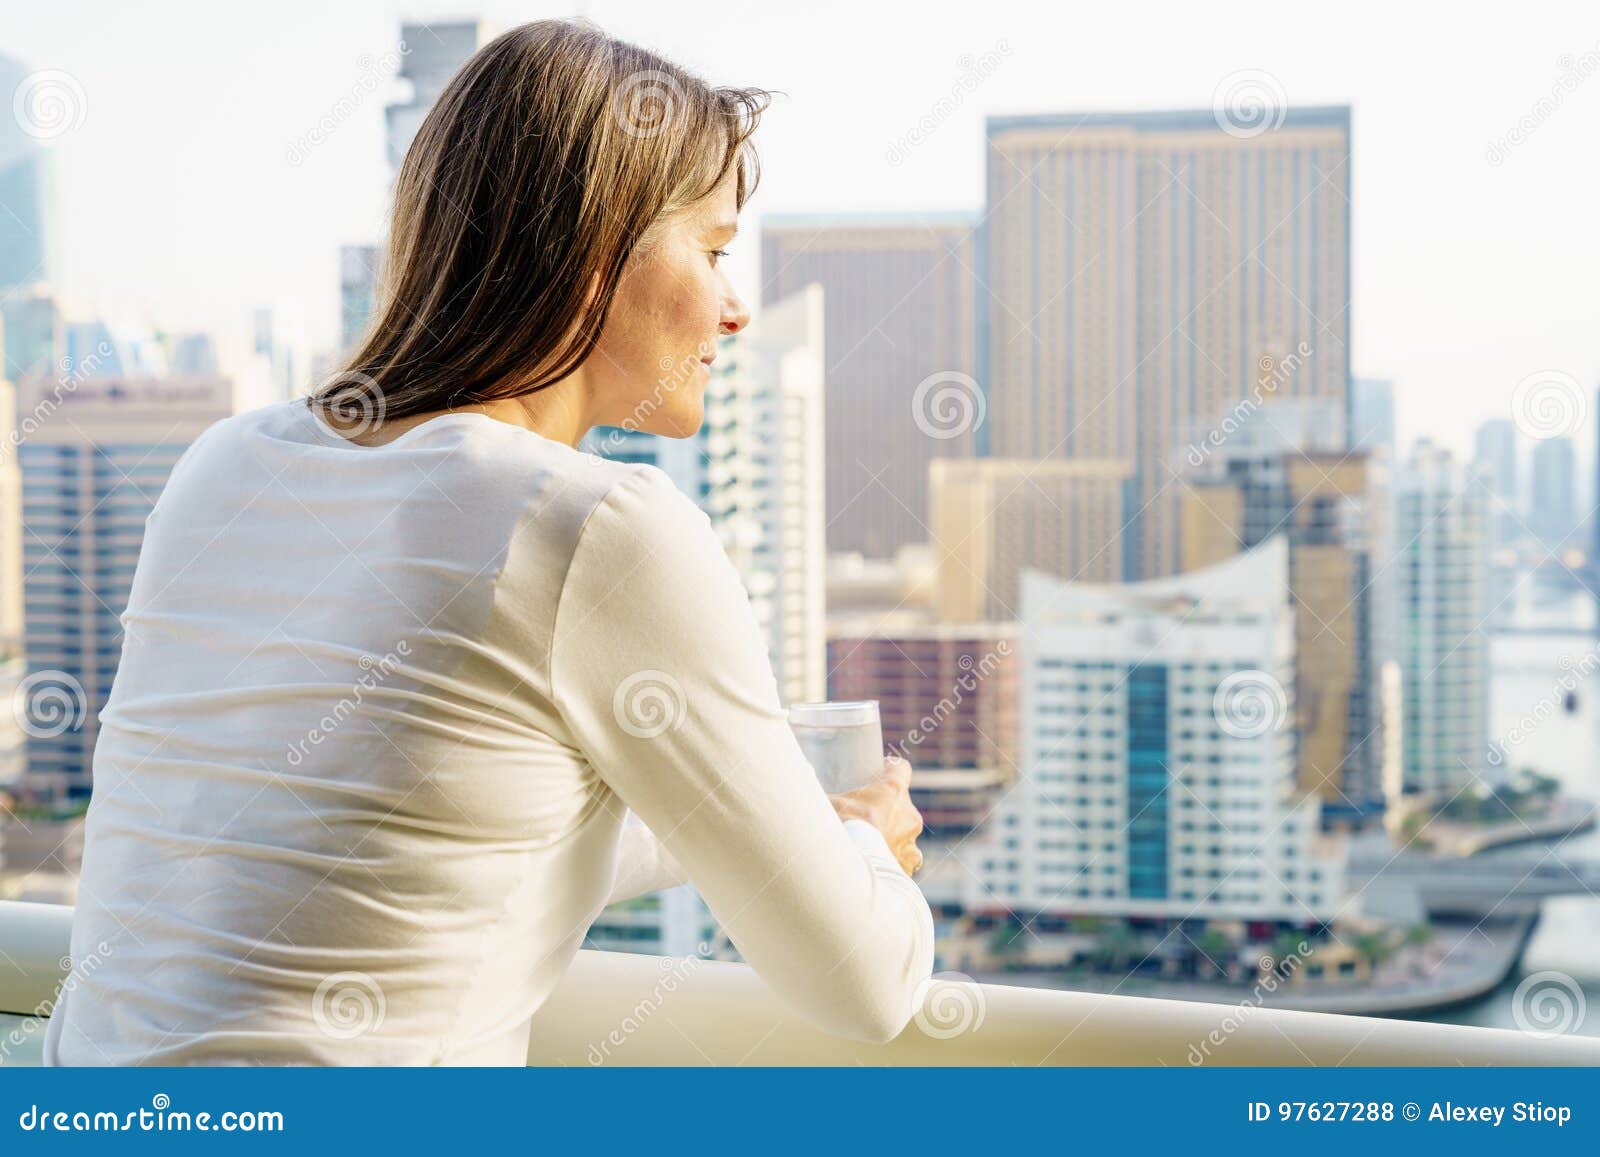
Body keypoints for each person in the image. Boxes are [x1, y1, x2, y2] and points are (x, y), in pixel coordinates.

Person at [44, 17, 932, 1066]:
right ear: (597, 250)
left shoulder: (223, 466)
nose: (736, 308)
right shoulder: (596, 526)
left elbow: (407, 840)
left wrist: (781, 821)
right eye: (716, 248)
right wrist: (867, 846)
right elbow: (862, 983)